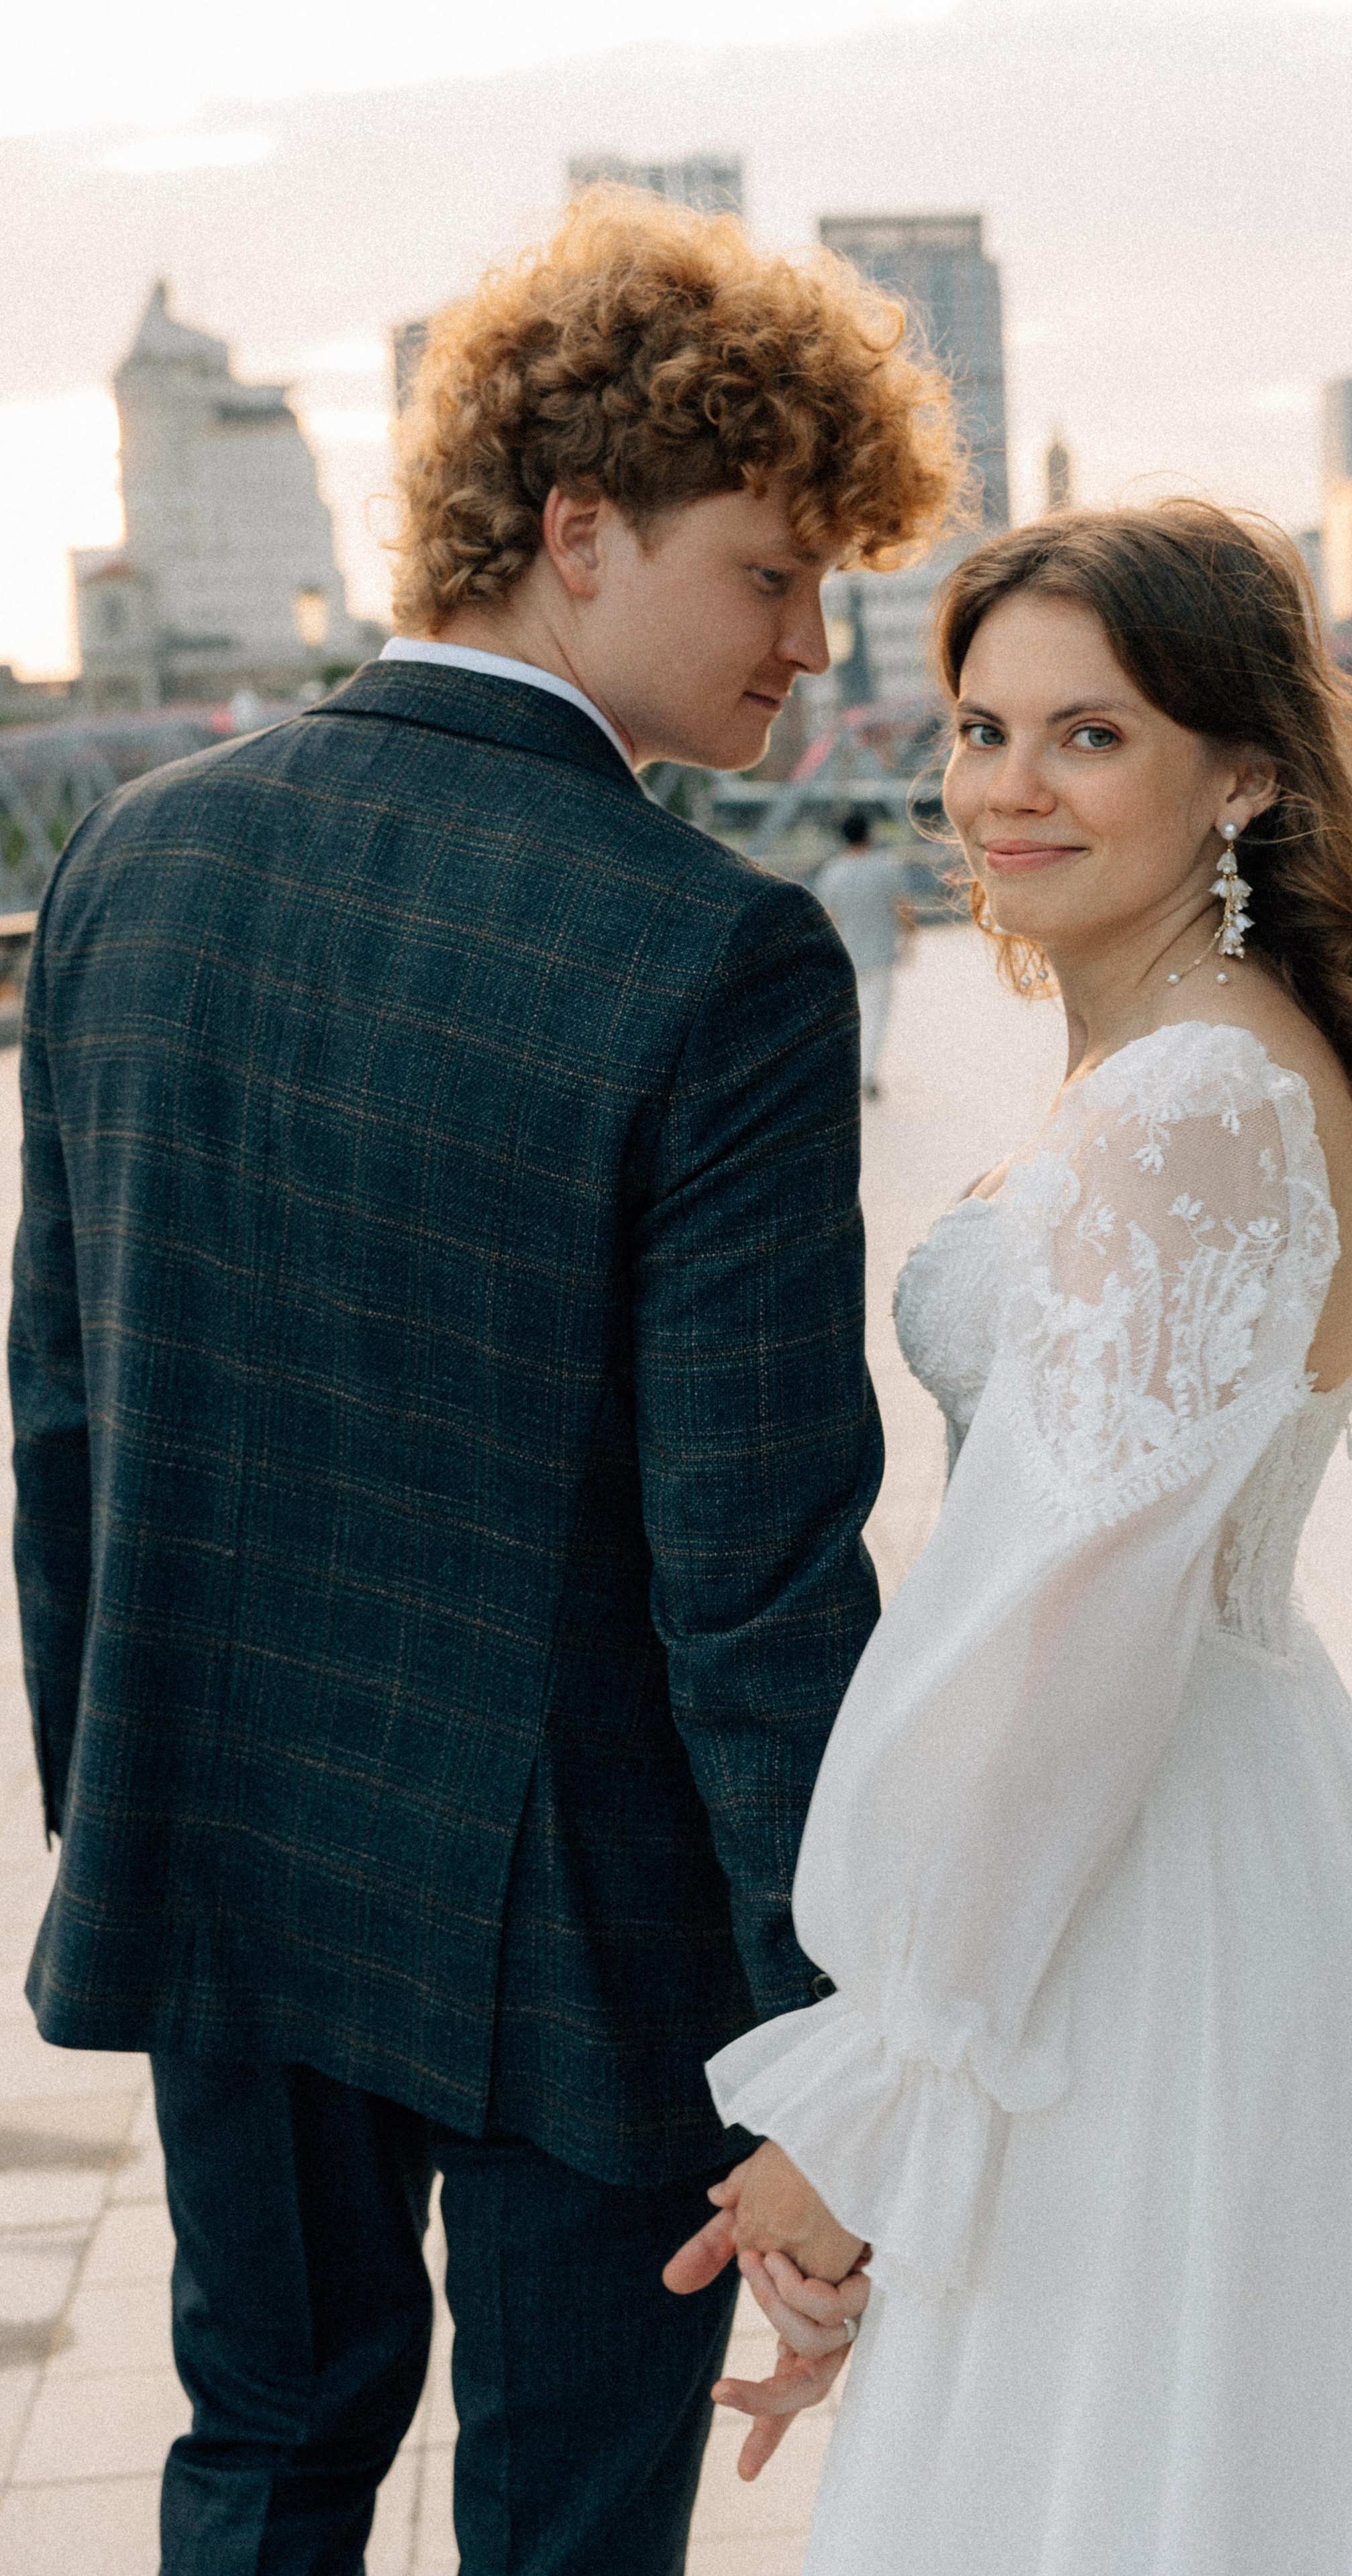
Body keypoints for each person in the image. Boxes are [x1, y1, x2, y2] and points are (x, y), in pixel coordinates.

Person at [10, 186, 953, 2576]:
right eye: (766, 571)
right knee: (559, 2525)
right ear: (573, 528)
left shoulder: (133, 860)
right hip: (584, 1934)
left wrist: (124, 1805)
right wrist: (818, 2043)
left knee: (261, 2454)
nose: (805, 645)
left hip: (226, 1853)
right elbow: (749, 1577)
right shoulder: (713, 957)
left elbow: (61, 1426)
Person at [675, 502, 1352, 2573]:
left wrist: (869, 2099)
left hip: (1125, 1871)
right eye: (974, 726)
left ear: (1239, 770)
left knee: (1099, 2478)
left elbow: (1058, 1634)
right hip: (1190, 1827)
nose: (1003, 787)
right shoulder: (1195, 1060)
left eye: (1087, 734)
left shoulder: (1184, 1102)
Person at [812, 810, 917, 1098]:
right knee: (877, 1016)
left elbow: (828, 918)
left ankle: (849, 1072)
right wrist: (910, 942)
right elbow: (905, 910)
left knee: (849, 1018)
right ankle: (868, 1073)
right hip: (881, 954)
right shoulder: (888, 867)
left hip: (846, 955)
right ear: (869, 834)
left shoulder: (831, 872)